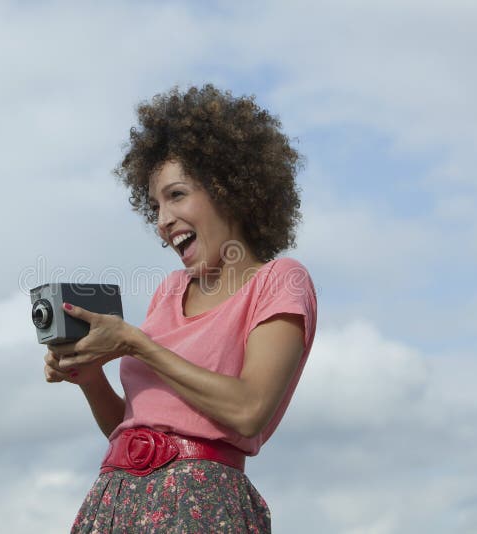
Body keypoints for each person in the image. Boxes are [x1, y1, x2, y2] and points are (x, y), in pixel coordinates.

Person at [43, 84, 317, 533]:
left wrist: (136, 342)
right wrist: (89, 378)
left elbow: (250, 410)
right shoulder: (168, 291)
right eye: (154, 205)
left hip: (201, 507)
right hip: (113, 506)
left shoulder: (280, 280)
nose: (162, 220)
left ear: (228, 189)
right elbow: (132, 426)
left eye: (176, 195)